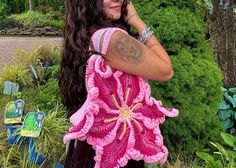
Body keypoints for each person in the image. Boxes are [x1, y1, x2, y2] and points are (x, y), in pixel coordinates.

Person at [59, 0, 178, 167]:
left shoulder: (83, 34)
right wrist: (137, 21)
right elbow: (166, 70)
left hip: (90, 148)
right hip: (111, 153)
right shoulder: (111, 39)